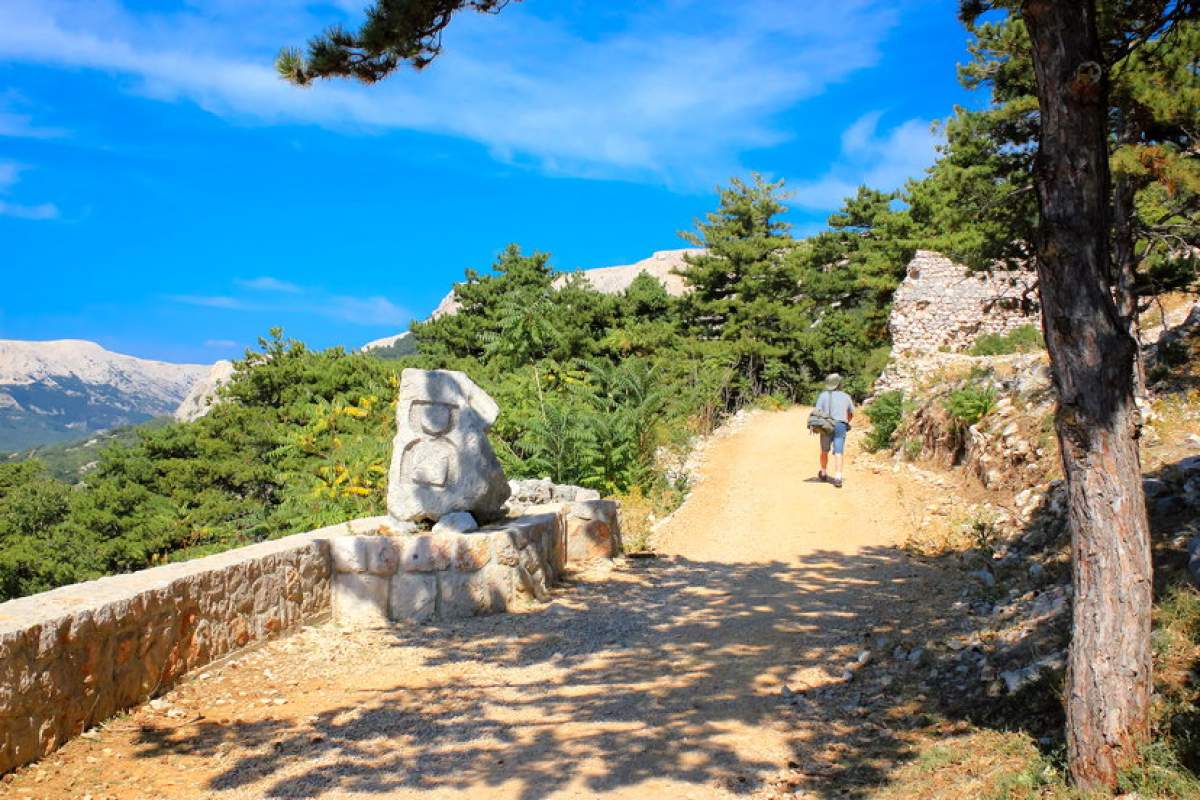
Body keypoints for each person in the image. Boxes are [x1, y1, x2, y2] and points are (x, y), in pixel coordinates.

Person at [815, 373, 854, 488]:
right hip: (840, 425)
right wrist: (846, 422)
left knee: (824, 451)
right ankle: (837, 477)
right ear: (839, 384)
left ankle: (823, 473)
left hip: (826, 425)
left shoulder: (823, 396)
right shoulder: (846, 396)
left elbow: (817, 412)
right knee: (838, 452)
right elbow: (851, 414)